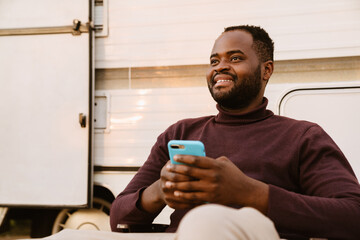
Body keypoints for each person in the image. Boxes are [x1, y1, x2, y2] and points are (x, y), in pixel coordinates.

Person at [110, 25, 360, 240]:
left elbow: (352, 214)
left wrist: (251, 193)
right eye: (214, 61)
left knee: (207, 220)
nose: (221, 67)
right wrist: (159, 191)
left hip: (256, 232)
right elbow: (117, 217)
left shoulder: (302, 136)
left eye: (235, 58)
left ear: (266, 70)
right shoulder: (181, 132)